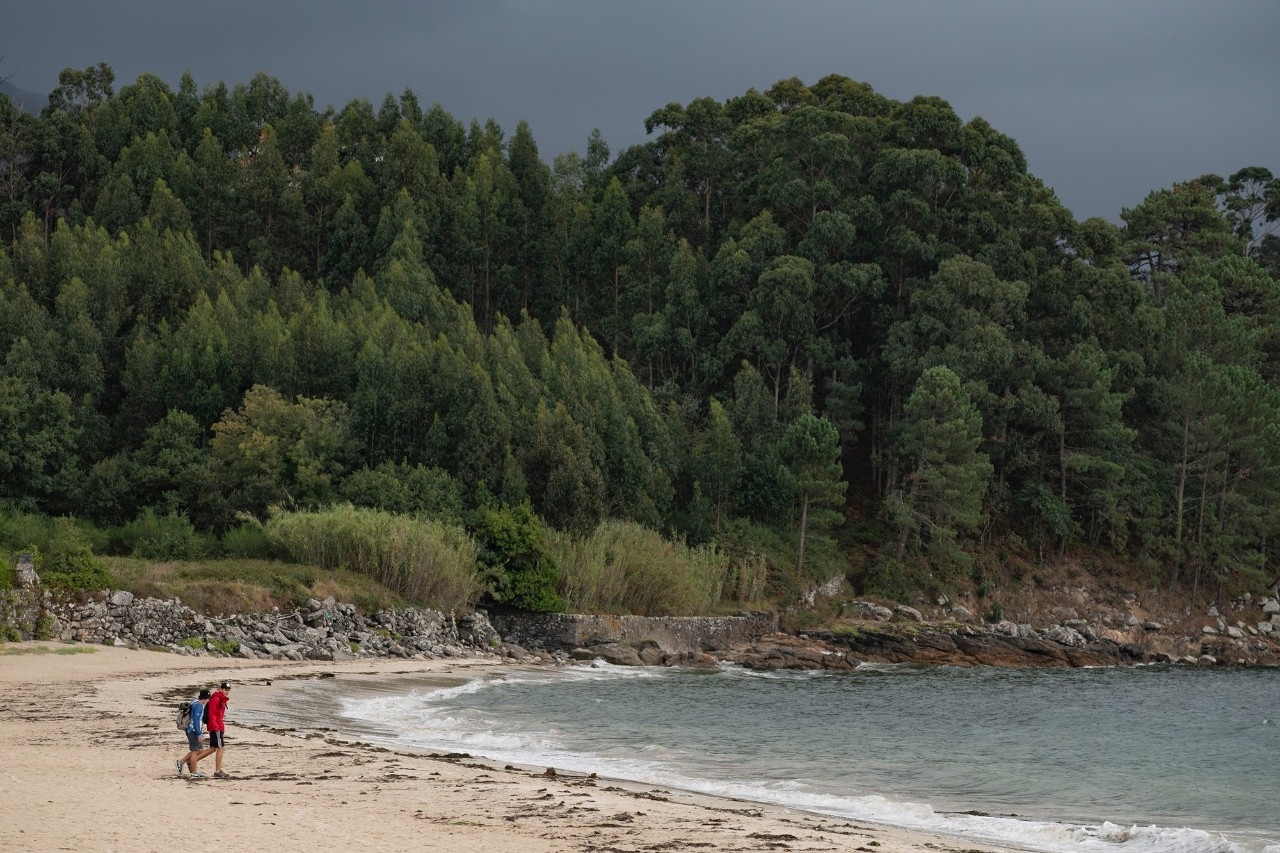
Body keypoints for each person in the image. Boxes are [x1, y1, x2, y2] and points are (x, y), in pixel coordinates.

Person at [199, 681, 231, 778]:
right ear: (221, 689)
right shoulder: (216, 698)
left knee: (213, 748)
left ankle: (193, 761)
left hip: (217, 726)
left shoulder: (221, 699)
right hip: (215, 726)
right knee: (221, 748)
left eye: (228, 690)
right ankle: (217, 771)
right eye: (225, 689)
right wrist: (217, 727)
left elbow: (219, 715)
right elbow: (212, 714)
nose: (227, 692)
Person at [177, 688, 211, 779]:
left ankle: (182, 762)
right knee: (195, 751)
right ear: (204, 698)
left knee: (200, 750)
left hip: (192, 730)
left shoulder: (194, 701)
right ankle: (194, 772)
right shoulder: (199, 706)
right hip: (193, 731)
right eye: (208, 699)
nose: (208, 701)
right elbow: (196, 721)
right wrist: (199, 734)